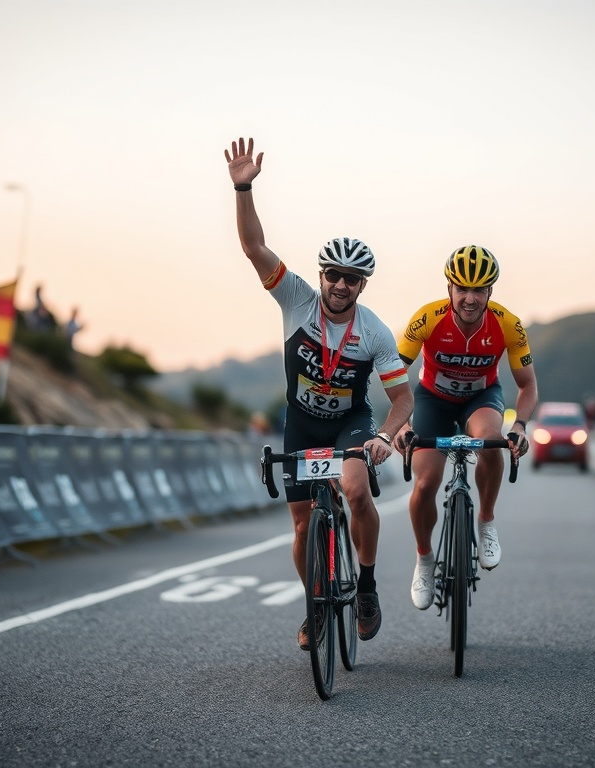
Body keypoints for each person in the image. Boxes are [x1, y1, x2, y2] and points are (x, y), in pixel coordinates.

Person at [224, 136, 414, 649]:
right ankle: (315, 606)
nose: (340, 285)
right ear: (322, 275)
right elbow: (253, 247)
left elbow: (402, 398)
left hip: (350, 424)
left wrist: (385, 437)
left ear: (362, 286)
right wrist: (244, 189)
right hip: (301, 422)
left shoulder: (373, 332)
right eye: (334, 275)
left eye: (352, 280)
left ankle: (367, 589)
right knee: (304, 527)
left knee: (354, 489)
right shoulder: (296, 300)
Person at [393, 245, 536, 611]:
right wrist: (401, 423)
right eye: (462, 289)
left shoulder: (508, 324)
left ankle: (486, 521)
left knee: (490, 442)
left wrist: (519, 424)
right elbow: (392, 374)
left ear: (490, 293)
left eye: (480, 291)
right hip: (432, 399)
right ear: (450, 289)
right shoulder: (427, 318)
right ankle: (425, 559)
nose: (470, 299)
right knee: (425, 483)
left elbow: (527, 386)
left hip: (481, 397)